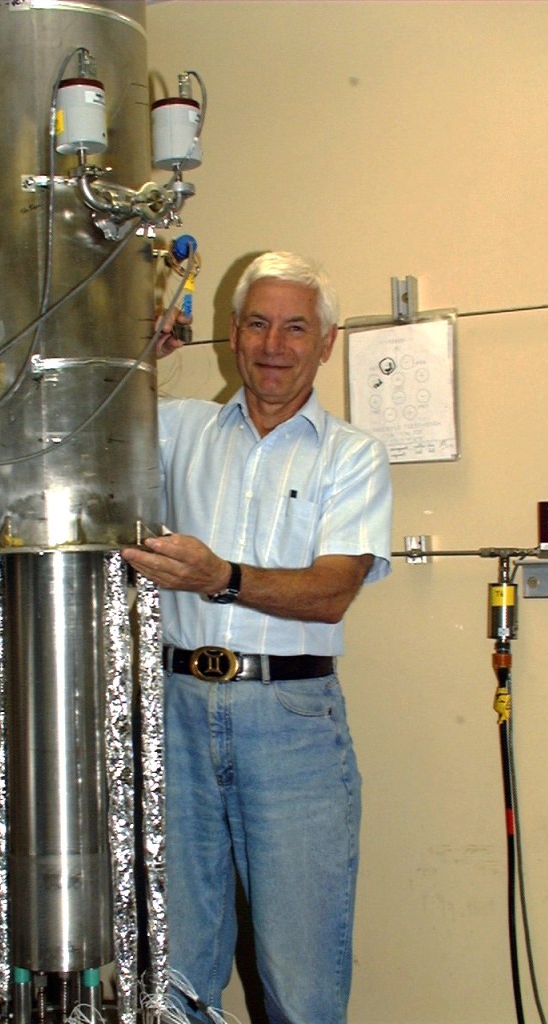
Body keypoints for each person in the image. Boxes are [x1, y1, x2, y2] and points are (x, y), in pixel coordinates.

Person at [121, 251, 392, 1024]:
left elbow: (332, 592)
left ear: (327, 343)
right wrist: (136, 355)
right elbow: (84, 431)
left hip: (293, 722)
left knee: (300, 978)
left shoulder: (353, 456)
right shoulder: (179, 429)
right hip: (176, 711)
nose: (275, 344)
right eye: (258, 323)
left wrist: (220, 578)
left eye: (296, 327)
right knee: (173, 971)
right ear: (232, 334)